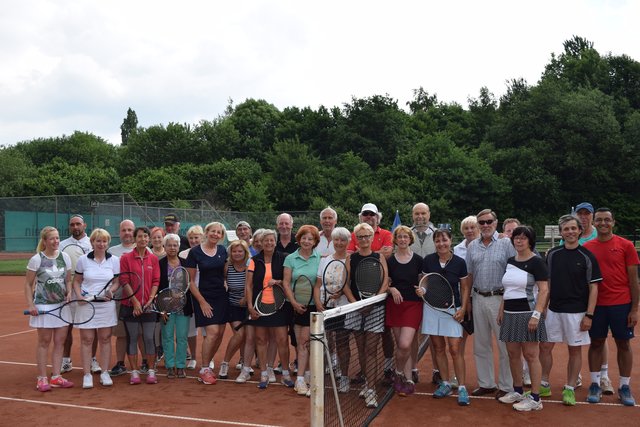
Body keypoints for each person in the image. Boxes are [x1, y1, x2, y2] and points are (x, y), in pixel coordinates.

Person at [539, 214, 600, 405]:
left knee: (574, 351)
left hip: (577, 312)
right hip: (554, 310)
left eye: (573, 228)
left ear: (579, 230)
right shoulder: (552, 255)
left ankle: (570, 388)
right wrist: (543, 308)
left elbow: (594, 288)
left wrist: (589, 315)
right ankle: (544, 384)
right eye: (566, 229)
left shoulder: (587, 256)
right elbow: (547, 284)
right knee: (545, 346)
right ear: (561, 233)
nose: (570, 232)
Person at [584, 208, 639, 406]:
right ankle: (595, 384)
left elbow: (634, 281)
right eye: (599, 220)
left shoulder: (625, 245)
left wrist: (634, 309)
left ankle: (624, 386)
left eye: (607, 220)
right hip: (597, 305)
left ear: (613, 222)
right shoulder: (588, 247)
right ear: (594, 223)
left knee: (623, 344)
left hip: (621, 304)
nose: (603, 223)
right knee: (596, 343)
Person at [497, 226, 549, 411]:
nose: (519, 241)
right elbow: (508, 290)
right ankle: (518, 391)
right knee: (513, 354)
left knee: (530, 355)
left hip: (528, 314)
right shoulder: (510, 260)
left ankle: (535, 398)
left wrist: (537, 314)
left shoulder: (537, 262)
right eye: (516, 238)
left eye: (523, 238)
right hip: (510, 314)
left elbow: (544, 290)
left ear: (530, 241)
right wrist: (502, 310)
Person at [417, 228, 471, 405]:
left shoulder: (459, 262)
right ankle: (446, 383)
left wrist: (463, 308)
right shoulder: (429, 260)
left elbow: (464, 287)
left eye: (444, 240)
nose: (441, 244)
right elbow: (425, 282)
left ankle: (462, 387)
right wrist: (422, 290)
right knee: (438, 347)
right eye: (438, 241)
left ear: (450, 241)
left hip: (452, 310)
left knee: (455, 349)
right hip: (432, 308)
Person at [465, 209, 515, 400]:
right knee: (481, 344)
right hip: (477, 298)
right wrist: (468, 300)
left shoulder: (506, 244)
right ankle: (486, 383)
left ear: (496, 222)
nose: (485, 225)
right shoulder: (472, 247)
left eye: (488, 221)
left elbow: (513, 272)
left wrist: (505, 301)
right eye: (482, 222)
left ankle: (506, 385)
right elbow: (469, 275)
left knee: (504, 345)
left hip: (499, 298)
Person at [343, 223, 390, 408]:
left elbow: (384, 281)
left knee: (371, 349)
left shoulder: (379, 257)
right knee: (360, 348)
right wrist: (357, 303)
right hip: (355, 308)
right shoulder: (350, 258)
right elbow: (345, 284)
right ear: (356, 239)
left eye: (366, 236)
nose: (363, 239)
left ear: (372, 238)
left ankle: (371, 389)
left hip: (374, 309)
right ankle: (366, 382)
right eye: (360, 237)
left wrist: (371, 303)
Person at [24, 226, 75, 392]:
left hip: (62, 306)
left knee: (60, 342)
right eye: (52, 238)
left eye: (58, 238)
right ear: (44, 241)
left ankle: (56, 376)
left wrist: (68, 293)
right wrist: (31, 305)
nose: (56, 241)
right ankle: (42, 378)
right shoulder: (36, 259)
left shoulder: (65, 257)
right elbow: (28, 284)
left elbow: (68, 280)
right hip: (44, 305)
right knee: (44, 342)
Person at [242, 229, 293, 389]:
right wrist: (250, 306)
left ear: (275, 242)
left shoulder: (284, 259)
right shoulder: (254, 261)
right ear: (261, 243)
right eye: (266, 241)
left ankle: (285, 374)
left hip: (279, 307)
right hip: (259, 307)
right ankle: (263, 374)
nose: (269, 243)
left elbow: (287, 281)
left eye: (271, 240)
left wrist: (277, 281)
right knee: (260, 340)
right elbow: (249, 285)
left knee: (283, 341)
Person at [72, 228, 120, 389]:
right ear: (92, 242)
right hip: (87, 305)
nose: (101, 244)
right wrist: (79, 296)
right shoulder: (83, 260)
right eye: (98, 241)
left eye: (104, 241)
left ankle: (105, 372)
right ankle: (87, 374)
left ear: (108, 243)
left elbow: (116, 282)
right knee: (87, 340)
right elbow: (77, 281)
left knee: (105, 339)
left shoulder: (114, 260)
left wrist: (110, 291)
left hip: (106, 306)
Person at [185, 222, 229, 385]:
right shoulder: (195, 252)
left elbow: (224, 272)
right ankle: (204, 368)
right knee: (212, 332)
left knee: (219, 333)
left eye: (219, 232)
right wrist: (202, 302)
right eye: (213, 231)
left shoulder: (223, 250)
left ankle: (207, 366)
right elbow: (190, 281)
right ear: (206, 232)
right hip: (203, 297)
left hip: (220, 296)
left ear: (221, 236)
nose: (215, 234)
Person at [119, 226, 161, 385]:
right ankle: (134, 372)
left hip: (149, 306)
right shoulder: (125, 258)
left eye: (145, 236)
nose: (143, 239)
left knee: (149, 338)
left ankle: (151, 371)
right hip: (130, 306)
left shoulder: (153, 259)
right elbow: (124, 280)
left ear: (148, 239)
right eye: (140, 236)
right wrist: (135, 302)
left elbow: (156, 281)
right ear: (135, 239)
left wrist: (150, 299)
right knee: (132, 338)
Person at [284, 225, 322, 395]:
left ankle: (303, 378)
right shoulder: (290, 258)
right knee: (300, 343)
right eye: (304, 238)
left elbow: (321, 283)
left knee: (306, 342)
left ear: (315, 242)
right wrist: (293, 303)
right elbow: (286, 282)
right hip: (294, 306)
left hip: (313, 306)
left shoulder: (320, 258)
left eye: (310, 239)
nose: (307, 241)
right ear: (299, 239)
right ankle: (303, 377)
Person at [385, 226, 423, 397]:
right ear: (395, 240)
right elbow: (384, 283)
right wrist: (391, 289)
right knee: (401, 346)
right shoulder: (389, 261)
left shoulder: (418, 260)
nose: (402, 240)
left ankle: (398, 372)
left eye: (405, 237)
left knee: (405, 344)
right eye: (399, 237)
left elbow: (424, 282)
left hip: (413, 305)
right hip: (394, 305)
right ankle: (407, 378)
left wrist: (423, 290)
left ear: (410, 239)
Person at [313, 227, 351, 392]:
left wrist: (341, 292)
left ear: (348, 242)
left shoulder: (351, 260)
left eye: (343, 240)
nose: (339, 243)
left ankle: (344, 377)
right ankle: (320, 378)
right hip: (325, 306)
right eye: (336, 240)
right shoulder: (325, 260)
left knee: (342, 342)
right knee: (325, 342)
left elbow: (350, 284)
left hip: (344, 307)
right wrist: (317, 302)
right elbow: (318, 285)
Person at [60, 214, 93, 375]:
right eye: (72, 224)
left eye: (78, 224)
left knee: (90, 328)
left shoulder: (92, 243)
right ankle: (66, 361)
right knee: (66, 328)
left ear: (84, 225)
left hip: (87, 292)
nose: (75, 227)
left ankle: (92, 360)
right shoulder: (62, 244)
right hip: (68, 293)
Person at [409, 202, 437, 385]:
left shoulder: (438, 236)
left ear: (429, 215)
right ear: (413, 216)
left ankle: (437, 370)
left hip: (434, 292)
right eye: (417, 214)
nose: (420, 216)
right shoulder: (405, 234)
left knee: (435, 335)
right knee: (412, 333)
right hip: (411, 293)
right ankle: (412, 369)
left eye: (423, 213)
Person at [159, 233, 192, 379]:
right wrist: (161, 308)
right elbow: (157, 286)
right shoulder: (159, 264)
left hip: (183, 307)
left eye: (175, 245)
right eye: (169, 245)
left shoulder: (186, 263)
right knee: (167, 337)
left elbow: (191, 284)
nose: (172, 248)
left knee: (182, 337)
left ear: (179, 246)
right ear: (164, 247)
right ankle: (170, 366)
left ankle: (180, 366)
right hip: (166, 307)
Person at [218, 239, 251, 379]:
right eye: (234, 251)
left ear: (245, 252)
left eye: (240, 251)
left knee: (248, 337)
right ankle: (225, 362)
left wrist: (246, 297)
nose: (237, 254)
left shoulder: (251, 264)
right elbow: (223, 281)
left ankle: (245, 363)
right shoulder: (227, 266)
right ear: (231, 253)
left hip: (249, 306)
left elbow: (252, 284)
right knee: (240, 334)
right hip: (232, 306)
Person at [108, 219, 136, 377]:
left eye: (130, 230)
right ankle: (120, 363)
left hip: (140, 299)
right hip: (119, 298)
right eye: (124, 230)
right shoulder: (111, 251)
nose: (127, 233)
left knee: (140, 333)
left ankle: (145, 362)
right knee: (121, 333)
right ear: (119, 232)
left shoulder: (144, 249)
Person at [179, 224, 204, 370]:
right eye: (191, 238)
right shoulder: (183, 255)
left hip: (206, 295)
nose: (194, 240)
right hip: (189, 296)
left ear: (202, 237)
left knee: (208, 329)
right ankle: (193, 358)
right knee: (191, 330)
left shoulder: (208, 251)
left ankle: (210, 358)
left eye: (197, 237)